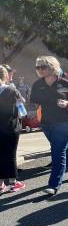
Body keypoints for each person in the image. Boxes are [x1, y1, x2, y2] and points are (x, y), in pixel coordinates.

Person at [30, 56, 68, 195]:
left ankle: (54, 185)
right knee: (61, 148)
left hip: (65, 122)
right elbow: (35, 103)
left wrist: (67, 103)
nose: (40, 70)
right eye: (38, 67)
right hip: (47, 123)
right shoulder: (37, 85)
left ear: (52, 67)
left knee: (57, 152)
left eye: (43, 67)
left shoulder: (64, 83)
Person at [0, 65, 26, 193]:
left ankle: (0, 184)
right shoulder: (11, 90)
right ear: (5, 76)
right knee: (11, 155)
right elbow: (22, 107)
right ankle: (13, 183)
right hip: (10, 127)